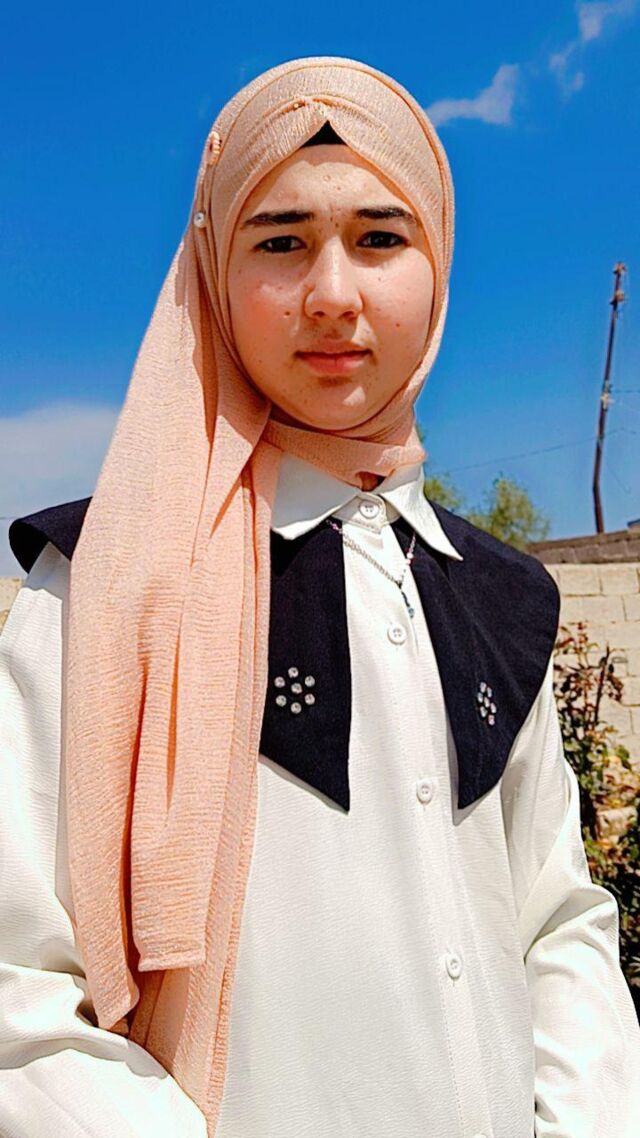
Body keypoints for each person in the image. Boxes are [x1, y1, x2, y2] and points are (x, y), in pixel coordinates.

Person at [1, 54, 638, 1138]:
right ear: (213, 271)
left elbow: (556, 922)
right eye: (280, 241)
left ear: (439, 263)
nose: (333, 295)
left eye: (381, 239)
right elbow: (21, 988)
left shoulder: (499, 601)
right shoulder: (104, 587)